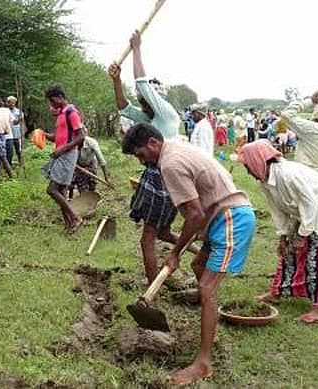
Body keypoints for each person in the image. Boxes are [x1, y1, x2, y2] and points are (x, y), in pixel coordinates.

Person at [122, 123, 255, 386]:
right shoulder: (174, 150)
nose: (141, 162)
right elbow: (197, 213)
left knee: (207, 288)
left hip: (232, 219)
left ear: (152, 143)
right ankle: (210, 319)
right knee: (199, 266)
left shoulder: (169, 163)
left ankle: (203, 363)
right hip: (219, 217)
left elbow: (194, 214)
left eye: (140, 155)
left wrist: (174, 252)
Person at [108, 31, 198, 284]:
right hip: (158, 175)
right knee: (162, 231)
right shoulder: (149, 118)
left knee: (147, 236)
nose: (141, 104)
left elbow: (141, 82)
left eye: (144, 100)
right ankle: (194, 248)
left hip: (164, 176)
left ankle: (151, 288)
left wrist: (137, 48)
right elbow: (123, 107)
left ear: (152, 99)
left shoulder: (165, 113)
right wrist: (116, 80)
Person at [238, 140, 318, 323]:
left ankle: (317, 310)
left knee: (316, 258)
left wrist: (302, 236)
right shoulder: (265, 180)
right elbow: (278, 210)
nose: (248, 171)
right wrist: (283, 237)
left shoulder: (288, 175)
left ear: (258, 161)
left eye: (248, 165)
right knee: (289, 254)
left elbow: (310, 203)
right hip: (304, 213)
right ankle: (278, 293)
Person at [41, 85, 84, 234]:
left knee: (52, 190)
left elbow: (81, 136)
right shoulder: (61, 115)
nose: (51, 105)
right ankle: (69, 224)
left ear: (60, 97)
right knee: (61, 191)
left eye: (52, 101)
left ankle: (75, 217)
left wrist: (62, 149)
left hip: (67, 154)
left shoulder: (71, 112)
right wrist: (43, 134)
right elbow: (59, 137)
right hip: (61, 154)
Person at [69, 131, 112, 198]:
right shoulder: (70, 143)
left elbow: (101, 160)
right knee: (81, 187)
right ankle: (73, 198)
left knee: (92, 185)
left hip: (91, 163)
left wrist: (106, 177)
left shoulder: (92, 142)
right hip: (78, 166)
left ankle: (91, 198)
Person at [6, 96, 24, 167]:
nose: (12, 104)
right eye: (10, 102)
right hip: (8, 134)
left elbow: (22, 123)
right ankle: (8, 165)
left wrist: (22, 133)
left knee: (18, 150)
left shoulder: (18, 112)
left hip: (16, 134)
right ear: (7, 103)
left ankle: (21, 163)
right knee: (9, 151)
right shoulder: (5, 111)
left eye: (13, 103)